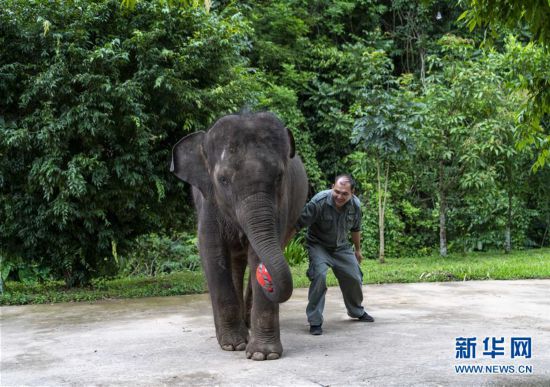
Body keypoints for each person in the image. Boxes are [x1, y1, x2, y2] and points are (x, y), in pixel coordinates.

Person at [292, 174, 374, 335]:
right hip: (318, 245)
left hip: (342, 247)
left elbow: (356, 229)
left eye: (345, 193)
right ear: (332, 187)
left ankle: (356, 311)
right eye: (337, 191)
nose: (340, 196)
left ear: (352, 193)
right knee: (319, 276)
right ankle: (315, 321)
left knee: (354, 277)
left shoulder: (355, 206)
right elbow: (297, 225)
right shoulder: (319, 202)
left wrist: (357, 250)